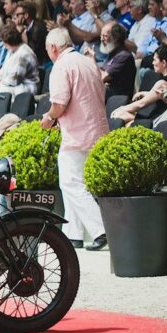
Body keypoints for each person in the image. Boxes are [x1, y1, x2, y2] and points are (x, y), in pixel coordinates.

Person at [40, 29, 108, 251]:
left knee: (71, 183)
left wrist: (49, 118)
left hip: (77, 134)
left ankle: (101, 228)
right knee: (74, 183)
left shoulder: (61, 65)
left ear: (53, 48)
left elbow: (59, 103)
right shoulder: (88, 62)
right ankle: (73, 234)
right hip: (96, 130)